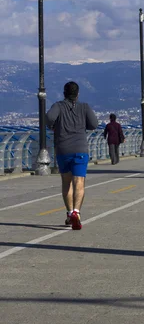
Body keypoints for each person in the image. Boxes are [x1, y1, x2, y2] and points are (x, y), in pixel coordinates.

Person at [46, 81, 98, 230]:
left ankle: (69, 213)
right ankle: (77, 212)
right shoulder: (84, 107)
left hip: (63, 148)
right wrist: (83, 125)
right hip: (80, 148)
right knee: (79, 181)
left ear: (64, 93)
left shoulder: (58, 106)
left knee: (66, 182)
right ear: (78, 94)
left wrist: (54, 126)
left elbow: (49, 118)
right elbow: (94, 124)